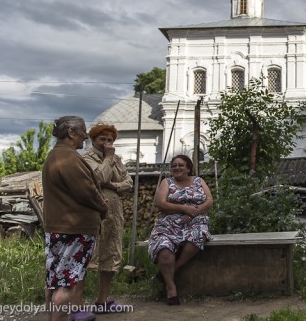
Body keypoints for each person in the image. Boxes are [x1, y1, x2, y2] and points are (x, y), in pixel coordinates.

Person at [42, 116, 108, 321]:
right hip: (74, 230)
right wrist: (103, 207)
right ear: (71, 133)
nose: (85, 136)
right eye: (83, 131)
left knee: (55, 280)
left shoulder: (54, 156)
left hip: (59, 228)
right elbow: (87, 191)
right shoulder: (68, 158)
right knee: (67, 284)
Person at [147, 154, 213, 305]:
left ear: (188, 168)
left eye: (180, 165)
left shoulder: (198, 181)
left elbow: (209, 200)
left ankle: (171, 271)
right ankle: (171, 288)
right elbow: (161, 203)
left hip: (195, 219)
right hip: (169, 222)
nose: (176, 168)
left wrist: (194, 211)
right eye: (174, 165)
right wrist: (183, 208)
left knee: (199, 235)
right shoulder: (167, 182)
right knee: (163, 246)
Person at [81, 123, 133, 314]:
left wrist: (113, 185)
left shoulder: (116, 159)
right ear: (93, 140)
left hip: (114, 211)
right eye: (102, 139)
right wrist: (108, 161)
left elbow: (128, 183)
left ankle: (102, 301)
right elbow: (98, 178)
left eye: (110, 140)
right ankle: (77, 303)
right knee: (89, 255)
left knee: (111, 253)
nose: (107, 143)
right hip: (94, 212)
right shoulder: (87, 157)